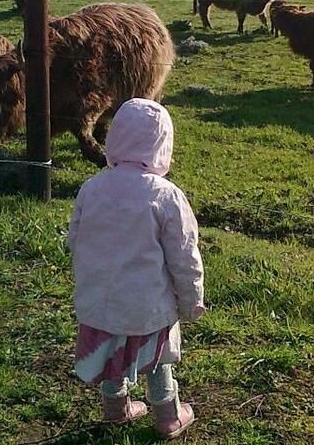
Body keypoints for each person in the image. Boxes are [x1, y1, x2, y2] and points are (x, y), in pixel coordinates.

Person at [68, 98, 205, 440]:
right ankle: (168, 416)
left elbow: (75, 239)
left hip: (99, 300)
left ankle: (116, 409)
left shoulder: (92, 187)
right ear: (163, 145)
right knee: (157, 359)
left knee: (112, 349)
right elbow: (184, 255)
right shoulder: (166, 196)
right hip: (148, 306)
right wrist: (191, 301)